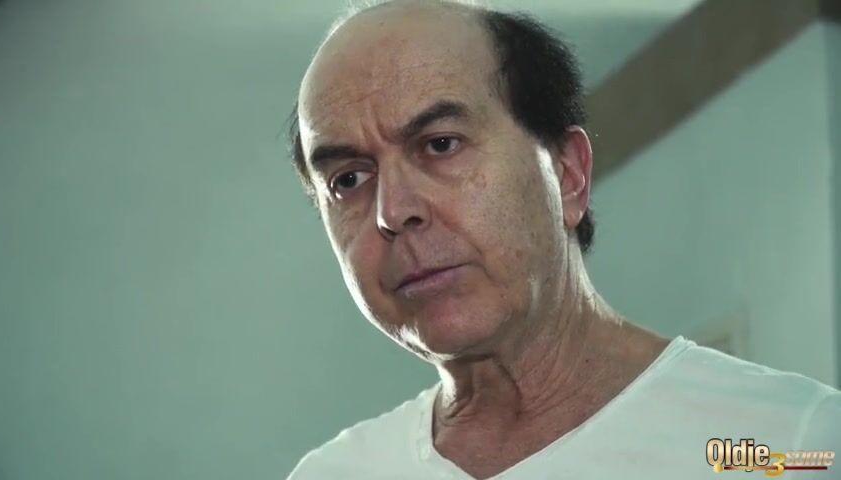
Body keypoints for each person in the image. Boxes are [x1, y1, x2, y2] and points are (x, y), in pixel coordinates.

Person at [284, 1, 841, 478]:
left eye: (441, 144)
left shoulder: (786, 442)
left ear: (567, 175)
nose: (394, 211)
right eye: (348, 180)